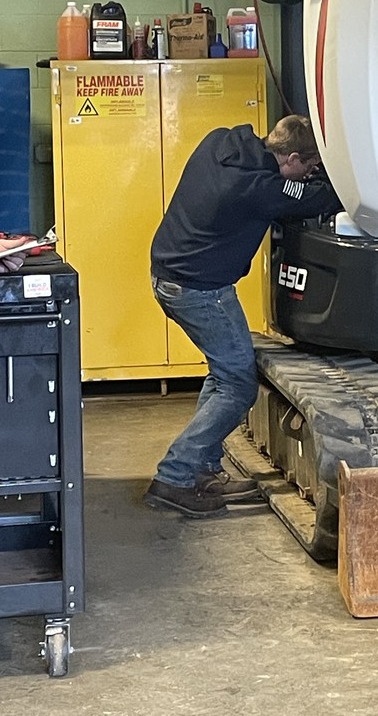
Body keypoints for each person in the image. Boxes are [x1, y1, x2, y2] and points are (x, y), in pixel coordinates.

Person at [144, 115, 341, 518]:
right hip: (200, 291)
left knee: (224, 373)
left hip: (170, 274)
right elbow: (315, 200)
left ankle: (201, 469)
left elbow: (285, 190)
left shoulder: (220, 141)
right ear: (290, 158)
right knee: (237, 387)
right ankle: (175, 477)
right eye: (309, 166)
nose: (310, 173)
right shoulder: (256, 188)